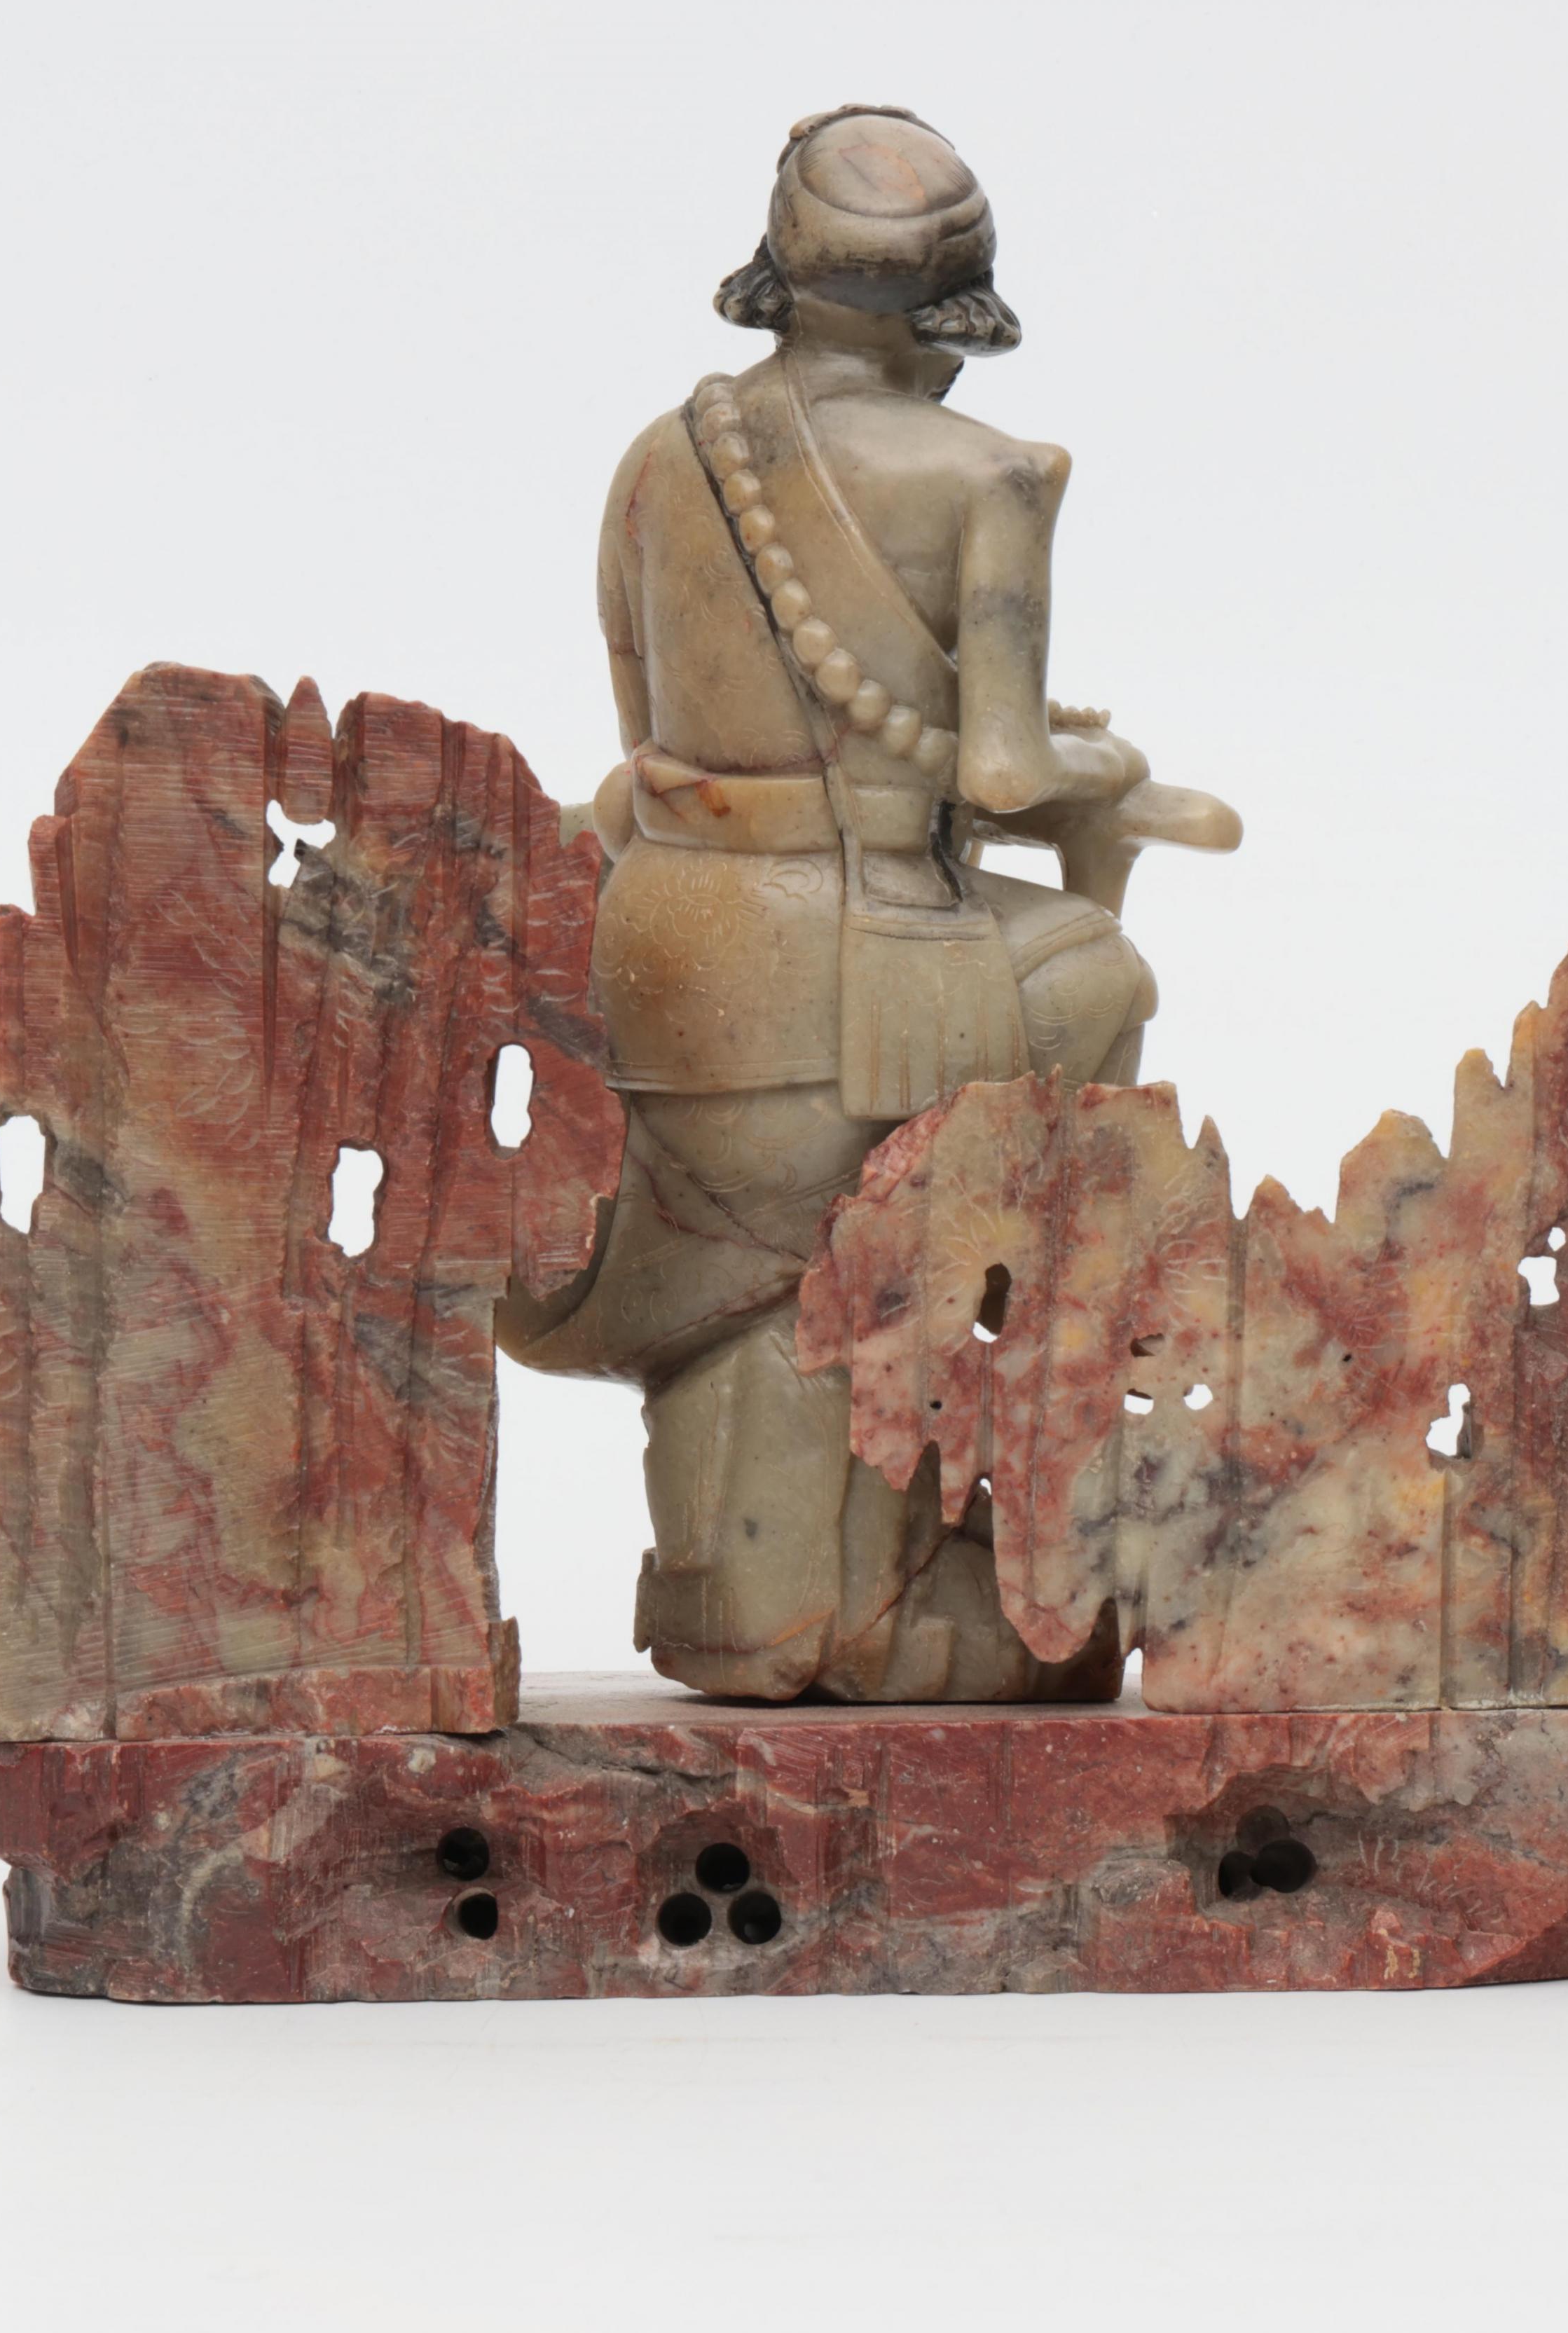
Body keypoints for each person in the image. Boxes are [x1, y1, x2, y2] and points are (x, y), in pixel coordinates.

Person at [500, 106, 1237, 1701]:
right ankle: (921, 1524)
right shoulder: (995, 474)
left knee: (773, 1241)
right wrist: (1108, 769)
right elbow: (1007, 768)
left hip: (666, 939)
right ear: (960, 309)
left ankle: (779, 1559)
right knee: (1101, 976)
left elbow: (647, 732)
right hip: (863, 954)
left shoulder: (664, 456)